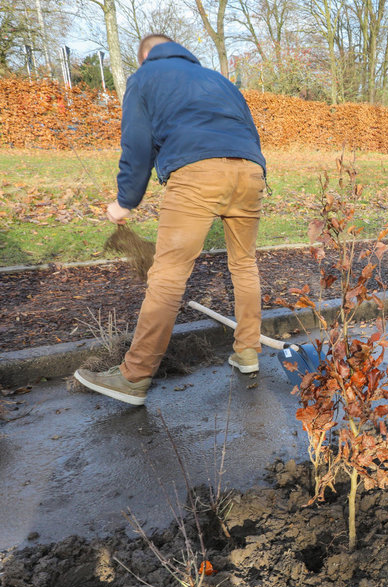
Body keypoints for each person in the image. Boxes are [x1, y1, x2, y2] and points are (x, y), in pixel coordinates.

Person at [74, 34, 267, 406]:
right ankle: (247, 353)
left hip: (197, 173)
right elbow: (249, 132)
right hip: (250, 170)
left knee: (168, 274)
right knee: (244, 264)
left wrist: (125, 202)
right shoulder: (218, 79)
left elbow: (136, 143)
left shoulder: (146, 77)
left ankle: (134, 376)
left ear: (145, 54)